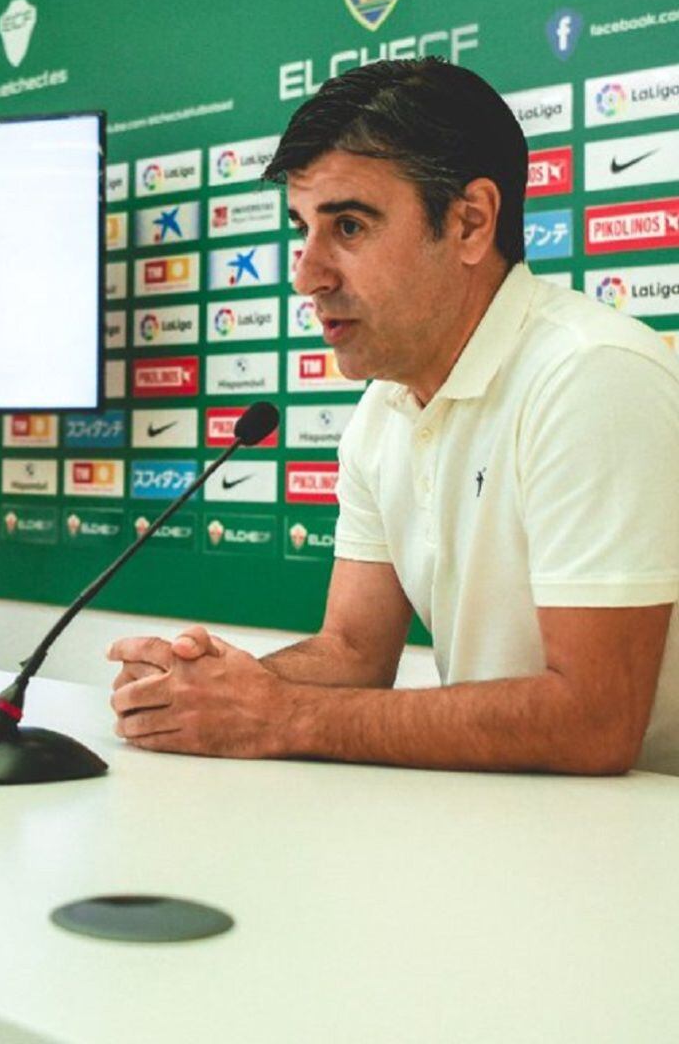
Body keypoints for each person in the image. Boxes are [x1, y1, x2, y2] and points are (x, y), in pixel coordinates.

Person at [108, 58, 679, 776]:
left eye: (348, 225)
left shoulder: (590, 375)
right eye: (302, 228)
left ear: (470, 222)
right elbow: (351, 651)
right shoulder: (383, 408)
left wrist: (279, 714)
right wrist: (207, 690)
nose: (306, 275)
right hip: (504, 828)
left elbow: (595, 721)